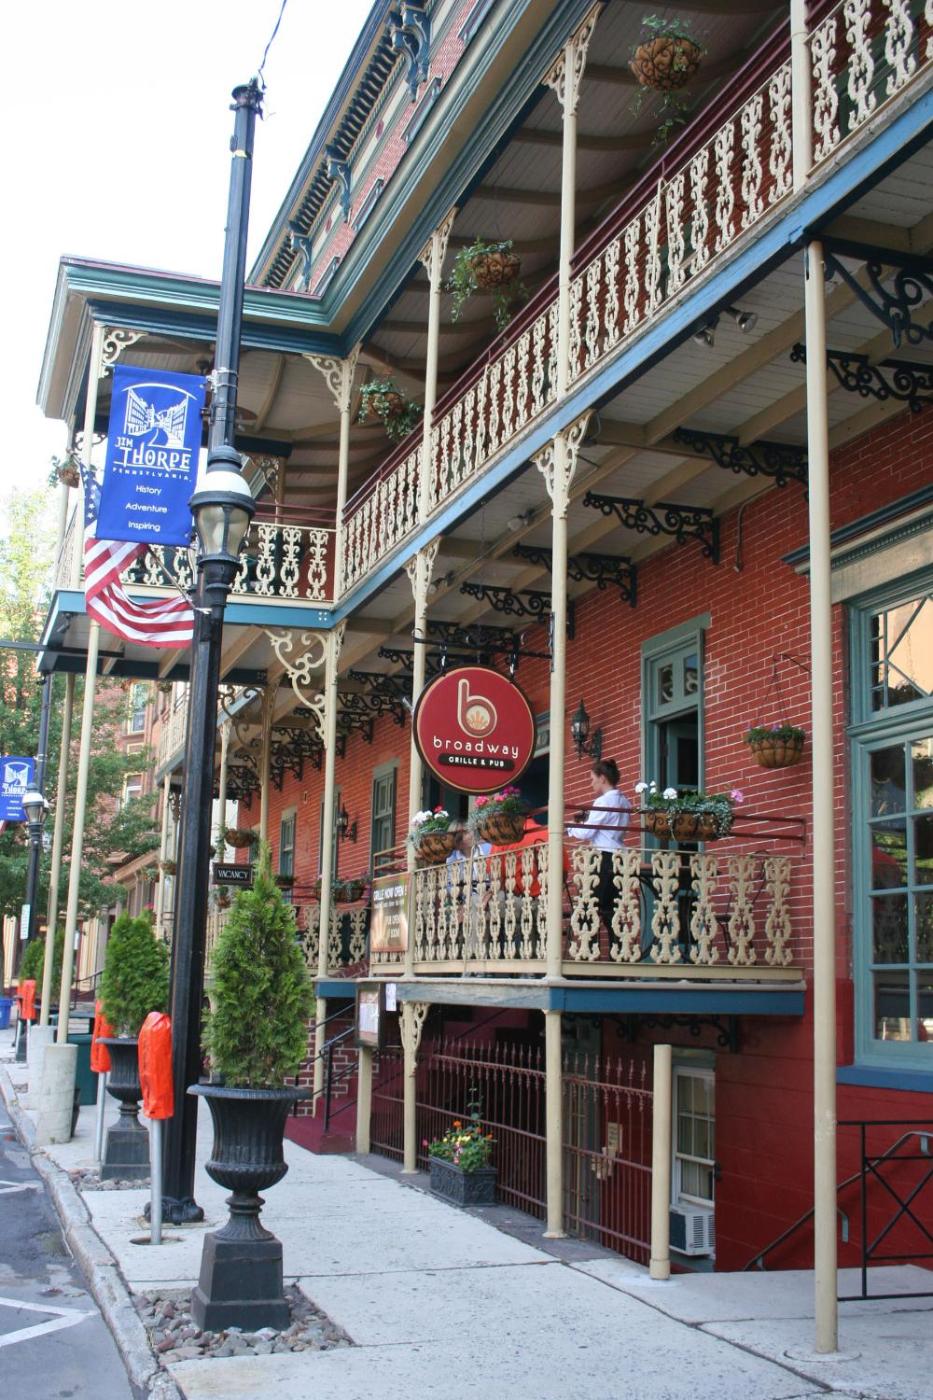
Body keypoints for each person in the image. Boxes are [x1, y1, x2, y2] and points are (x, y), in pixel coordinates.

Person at [567, 758, 630, 933]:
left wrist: (570, 827)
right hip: (620, 856)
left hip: (603, 857)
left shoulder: (603, 802)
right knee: (611, 909)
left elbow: (586, 833)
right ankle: (618, 947)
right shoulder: (624, 801)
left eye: (592, 779)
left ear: (602, 778)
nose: (591, 783)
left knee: (588, 908)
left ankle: (587, 947)